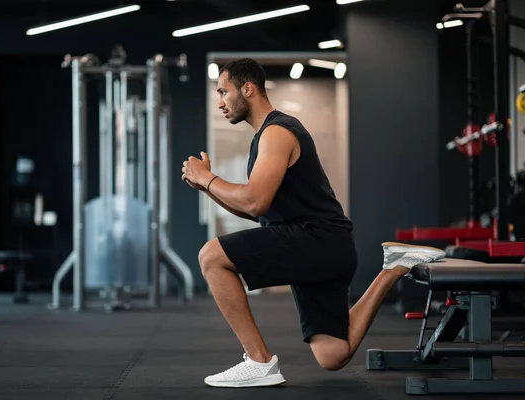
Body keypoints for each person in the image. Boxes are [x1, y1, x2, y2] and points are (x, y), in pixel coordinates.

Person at [181, 58, 446, 388]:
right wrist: (205, 186)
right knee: (333, 355)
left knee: (211, 256)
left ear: (247, 89)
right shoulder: (266, 136)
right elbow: (255, 211)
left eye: (223, 91)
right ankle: (393, 268)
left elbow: (253, 200)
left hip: (314, 240)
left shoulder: (277, 132)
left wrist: (208, 179)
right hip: (325, 246)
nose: (219, 101)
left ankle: (259, 362)